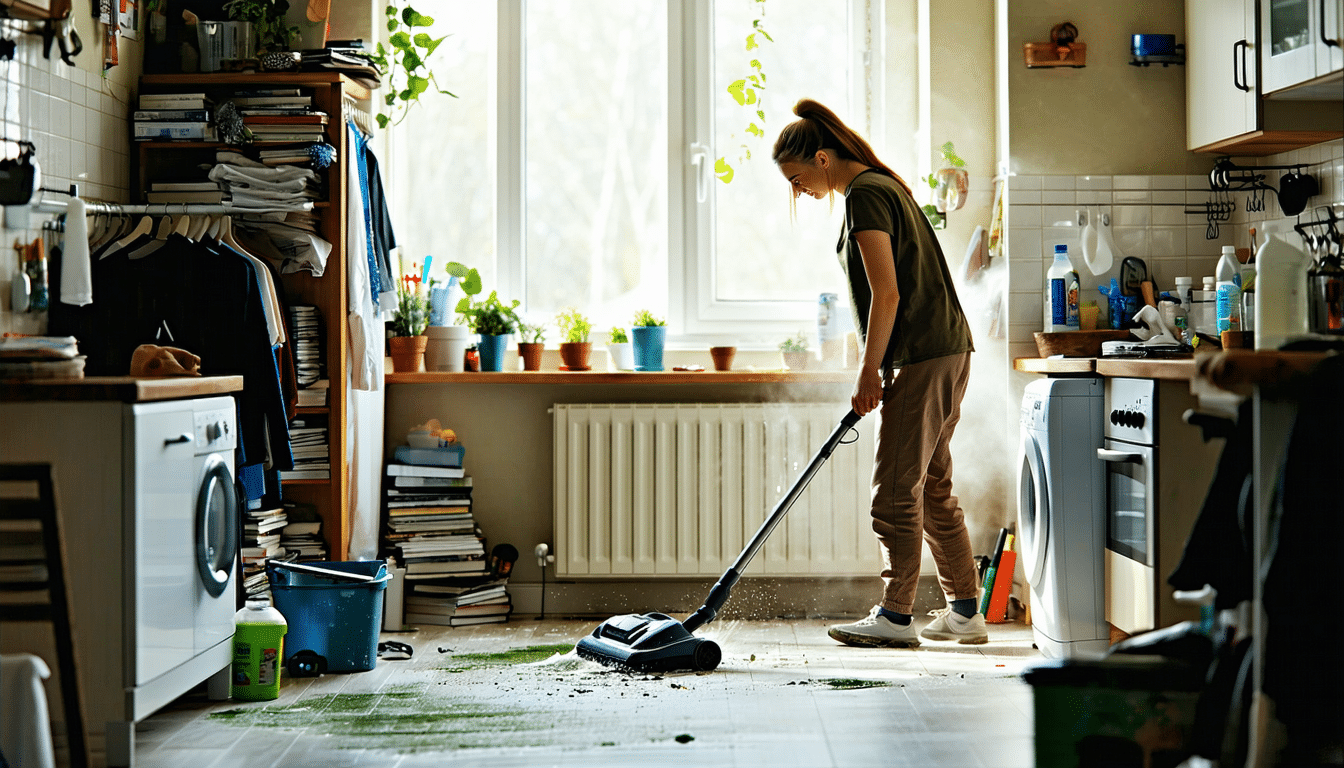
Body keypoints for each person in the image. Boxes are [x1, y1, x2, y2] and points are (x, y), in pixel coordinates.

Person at [773, 99, 984, 647]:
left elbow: (887, 294)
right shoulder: (883, 187)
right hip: (946, 350)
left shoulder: (866, 194)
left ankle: (894, 616)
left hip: (920, 355)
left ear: (822, 158)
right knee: (932, 485)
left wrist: (870, 372)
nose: (798, 192)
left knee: (893, 491)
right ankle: (964, 611)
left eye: (797, 179)